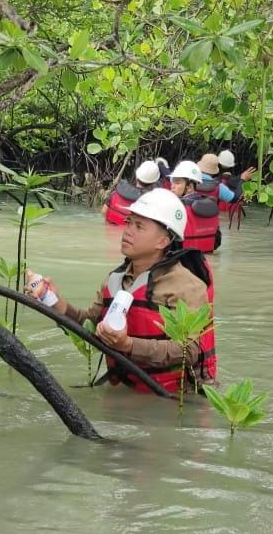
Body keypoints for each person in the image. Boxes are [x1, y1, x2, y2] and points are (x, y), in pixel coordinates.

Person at [30, 189, 216, 393]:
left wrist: (128, 345)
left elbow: (188, 351)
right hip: (124, 392)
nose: (128, 231)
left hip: (173, 399)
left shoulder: (186, 286)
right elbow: (89, 326)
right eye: (128, 223)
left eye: (139, 226)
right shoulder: (115, 280)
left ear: (163, 241)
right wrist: (52, 300)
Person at [170, 160, 221, 252]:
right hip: (207, 259)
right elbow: (217, 242)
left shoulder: (178, 208)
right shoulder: (212, 204)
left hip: (183, 260)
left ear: (189, 187)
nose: (172, 186)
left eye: (177, 182)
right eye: (173, 182)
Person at [103, 160, 162, 226]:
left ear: (137, 177)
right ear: (154, 182)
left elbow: (104, 211)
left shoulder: (115, 193)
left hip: (110, 231)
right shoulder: (152, 203)